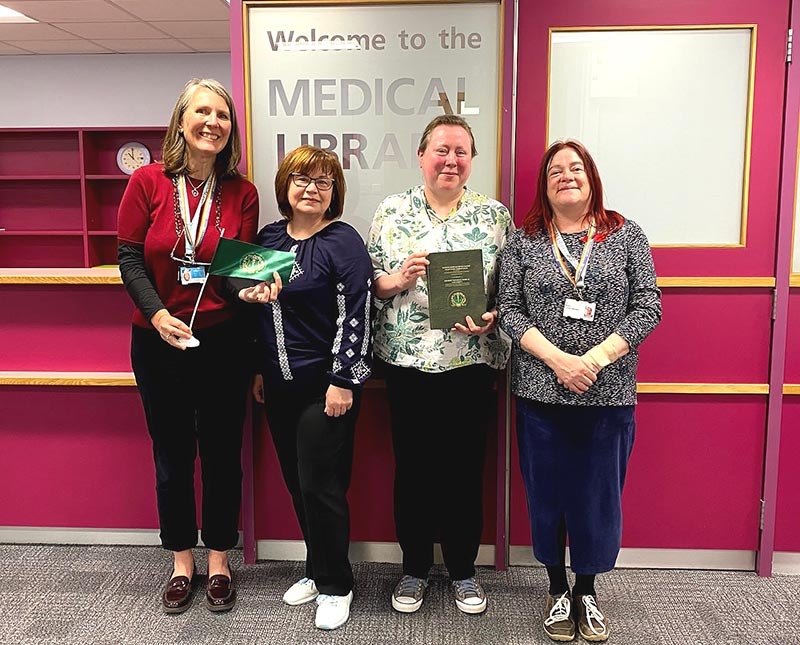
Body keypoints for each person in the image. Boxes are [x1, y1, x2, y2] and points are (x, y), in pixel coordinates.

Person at [117, 78, 279, 615]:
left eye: (223, 115)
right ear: (181, 121)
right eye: (203, 112)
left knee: (222, 454)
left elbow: (233, 271)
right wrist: (157, 314)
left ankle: (219, 560)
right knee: (171, 454)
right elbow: (130, 258)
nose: (213, 122)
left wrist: (250, 289)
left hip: (223, 341)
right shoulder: (147, 182)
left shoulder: (242, 192)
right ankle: (181, 560)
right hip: (158, 338)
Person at [498, 140, 662, 642]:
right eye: (555, 171)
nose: (565, 176)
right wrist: (558, 361)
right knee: (546, 495)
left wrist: (590, 361)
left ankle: (586, 590)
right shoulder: (524, 241)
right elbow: (510, 311)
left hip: (607, 393)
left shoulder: (625, 234)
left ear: (591, 177)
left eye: (575, 168)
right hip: (540, 392)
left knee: (597, 497)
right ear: (544, 185)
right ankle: (556, 589)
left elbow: (648, 307)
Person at [367, 114, 513, 615]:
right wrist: (397, 280)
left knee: (464, 471)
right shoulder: (391, 211)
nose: (451, 160)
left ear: (472, 160)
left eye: (461, 152)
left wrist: (492, 317)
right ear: (421, 155)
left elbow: (511, 291)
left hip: (469, 363)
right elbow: (370, 283)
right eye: (441, 150)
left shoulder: (494, 216)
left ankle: (463, 572)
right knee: (412, 470)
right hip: (406, 362)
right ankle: (413, 569)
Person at [234, 145, 373, 630]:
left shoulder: (343, 242)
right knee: (297, 482)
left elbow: (357, 315)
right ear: (286, 187)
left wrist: (343, 380)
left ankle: (337, 585)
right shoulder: (269, 237)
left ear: (334, 192)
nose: (311, 189)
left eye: (323, 182)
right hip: (277, 384)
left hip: (325, 387)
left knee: (321, 485)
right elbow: (251, 303)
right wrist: (258, 369)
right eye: (302, 179)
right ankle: (317, 568)